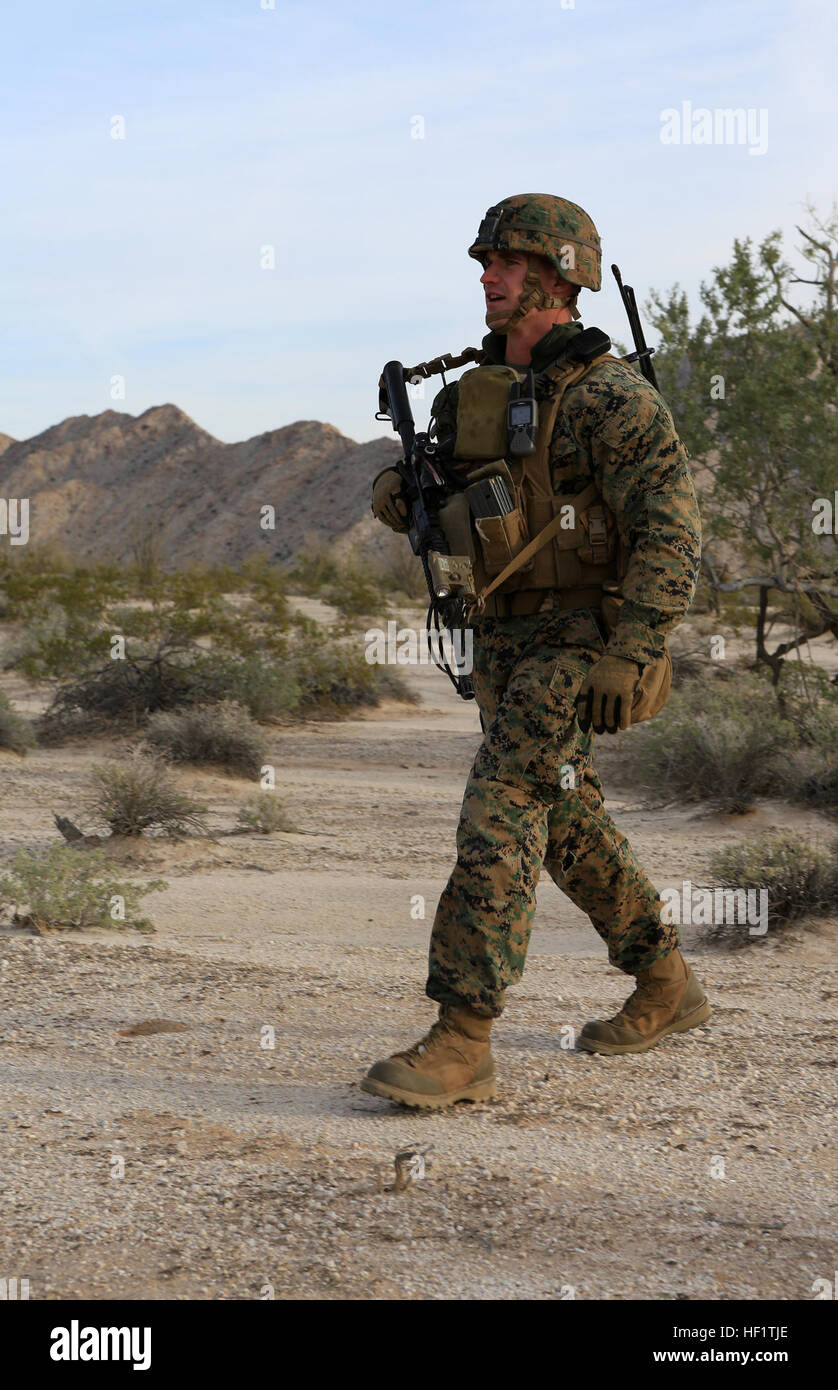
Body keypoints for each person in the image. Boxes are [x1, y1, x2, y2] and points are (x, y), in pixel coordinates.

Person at [363, 194, 709, 1110]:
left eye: (504, 264)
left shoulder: (610, 397)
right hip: (506, 637)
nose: (487, 276)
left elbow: (671, 533)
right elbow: (464, 501)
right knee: (564, 819)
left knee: (503, 801)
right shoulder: (477, 393)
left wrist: (636, 649)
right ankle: (667, 982)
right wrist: (404, 491)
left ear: (555, 278)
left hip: (585, 641)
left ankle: (462, 1036)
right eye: (485, 263)